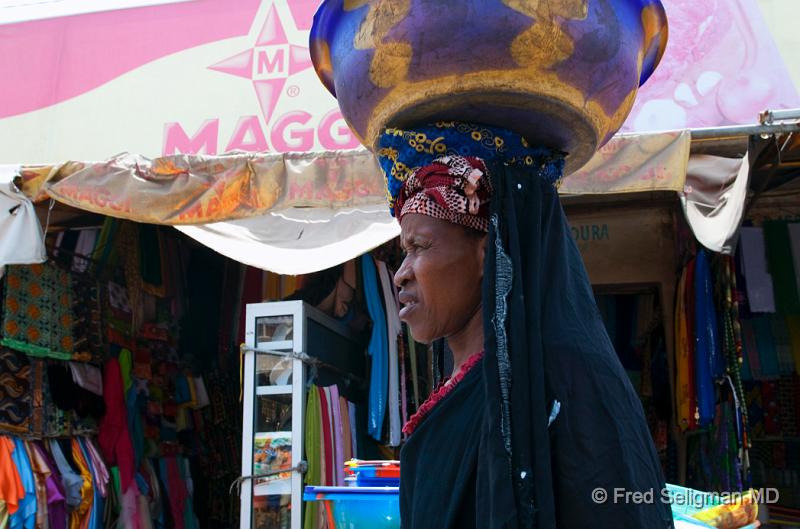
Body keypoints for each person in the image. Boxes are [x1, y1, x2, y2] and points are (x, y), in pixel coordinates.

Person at [378, 122, 674, 529]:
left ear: (487, 253)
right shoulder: (461, 388)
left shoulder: (569, 380)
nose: (400, 274)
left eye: (419, 247)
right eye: (402, 253)